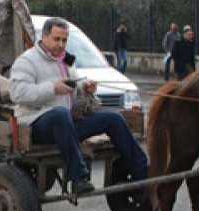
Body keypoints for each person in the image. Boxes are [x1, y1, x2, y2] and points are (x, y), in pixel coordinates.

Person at [10, 17, 148, 196]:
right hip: (36, 125)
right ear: (44, 37)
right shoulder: (27, 61)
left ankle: (142, 170)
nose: (61, 44)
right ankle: (79, 178)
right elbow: (18, 93)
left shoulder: (67, 58)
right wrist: (53, 88)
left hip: (66, 124)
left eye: (64, 40)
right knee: (60, 114)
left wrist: (84, 86)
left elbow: (74, 83)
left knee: (114, 118)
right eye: (56, 39)